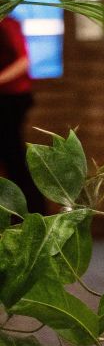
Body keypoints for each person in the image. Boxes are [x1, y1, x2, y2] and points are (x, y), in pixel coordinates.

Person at [0, 14, 42, 214]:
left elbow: (24, 61)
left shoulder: (7, 23)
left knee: (14, 157)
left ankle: (33, 212)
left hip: (11, 99)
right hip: (7, 97)